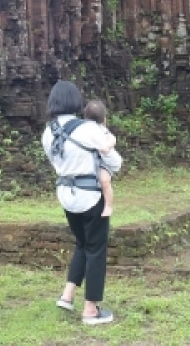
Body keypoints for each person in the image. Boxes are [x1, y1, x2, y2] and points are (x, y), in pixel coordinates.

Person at [43, 80, 122, 326]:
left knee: (82, 243)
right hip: (90, 195)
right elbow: (115, 162)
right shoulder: (88, 129)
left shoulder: (48, 132)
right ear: (75, 101)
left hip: (66, 195)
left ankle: (67, 295)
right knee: (96, 248)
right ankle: (91, 309)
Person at [83, 99, 118, 218]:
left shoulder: (102, 129)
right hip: (92, 161)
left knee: (104, 181)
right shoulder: (84, 128)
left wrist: (107, 146)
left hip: (105, 162)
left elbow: (113, 138)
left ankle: (108, 206)